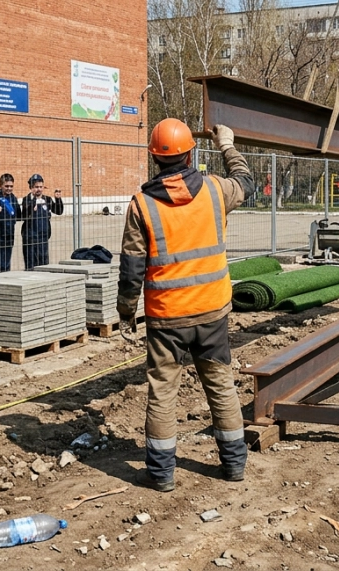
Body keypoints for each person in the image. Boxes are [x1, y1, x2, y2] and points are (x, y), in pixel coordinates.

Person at [117, 119, 253, 492]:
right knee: (222, 385)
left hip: (166, 318)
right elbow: (247, 182)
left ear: (154, 158)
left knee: (162, 391)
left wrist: (126, 311)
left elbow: (131, 269)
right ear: (190, 153)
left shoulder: (141, 206)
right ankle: (234, 466)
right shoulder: (214, 190)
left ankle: (161, 475)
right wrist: (226, 144)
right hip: (211, 311)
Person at [19, 174, 63, 269]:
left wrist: (58, 199)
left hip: (43, 237)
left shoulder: (47, 199)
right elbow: (24, 216)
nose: (38, 189)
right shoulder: (27, 199)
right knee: (31, 264)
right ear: (31, 188)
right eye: (36, 187)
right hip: (30, 238)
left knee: (43, 263)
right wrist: (32, 206)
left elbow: (59, 211)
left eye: (40, 187)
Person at [0, 174, 21, 272]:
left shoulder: (14, 199)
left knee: (7, 264)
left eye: (11, 186)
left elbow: (18, 215)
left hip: (10, 235)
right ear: (0, 185)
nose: (9, 188)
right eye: (6, 186)